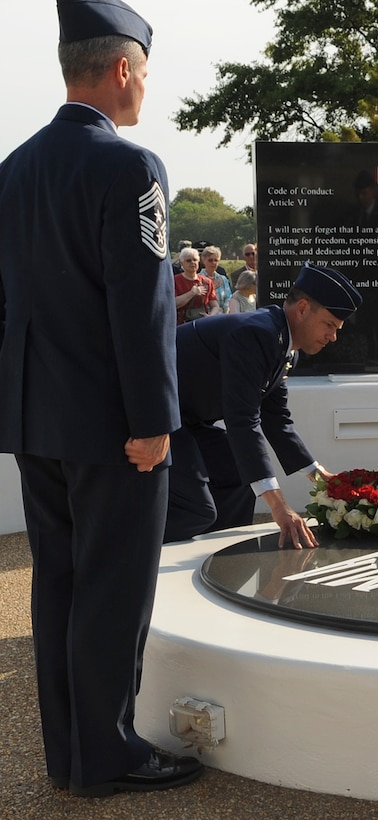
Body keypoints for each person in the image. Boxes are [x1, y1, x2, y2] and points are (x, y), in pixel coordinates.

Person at [0, 0, 202, 797]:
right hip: (114, 427)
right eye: (144, 74)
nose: (145, 89)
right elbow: (140, 305)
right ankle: (108, 754)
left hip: (33, 417)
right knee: (115, 589)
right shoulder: (129, 167)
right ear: (122, 69)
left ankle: (70, 756)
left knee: (58, 585)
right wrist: (153, 423)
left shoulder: (11, 170)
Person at [164, 262, 363, 548]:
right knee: (196, 509)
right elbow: (242, 419)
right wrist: (278, 505)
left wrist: (318, 475)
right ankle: (135, 562)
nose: (333, 337)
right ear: (303, 308)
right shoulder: (256, 334)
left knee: (239, 477)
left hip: (187, 419)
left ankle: (219, 557)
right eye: (330, 325)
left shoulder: (283, 347)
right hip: (156, 416)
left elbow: (276, 418)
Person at [173, 245, 218, 324]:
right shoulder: (175, 280)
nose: (192, 263)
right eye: (188, 260)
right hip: (181, 325)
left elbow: (215, 305)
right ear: (182, 263)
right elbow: (173, 304)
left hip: (202, 323)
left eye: (195, 260)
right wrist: (191, 293)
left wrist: (211, 316)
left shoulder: (207, 282)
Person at [201, 244, 232, 314]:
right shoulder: (198, 279)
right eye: (210, 260)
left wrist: (225, 312)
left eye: (216, 260)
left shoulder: (223, 279)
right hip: (204, 316)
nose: (213, 263)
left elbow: (228, 298)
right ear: (203, 260)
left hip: (222, 316)